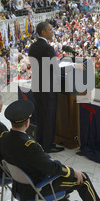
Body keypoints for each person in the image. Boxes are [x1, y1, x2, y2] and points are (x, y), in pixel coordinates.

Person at [0, 100, 100, 201]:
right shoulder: (29, 145)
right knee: (83, 179)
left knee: (58, 168)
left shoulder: (4, 137)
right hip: (37, 189)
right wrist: (73, 171)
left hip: (20, 187)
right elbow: (51, 169)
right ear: (27, 122)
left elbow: (35, 161)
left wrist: (47, 161)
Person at [28, 21, 65, 153]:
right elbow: (54, 68)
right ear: (43, 32)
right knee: (49, 116)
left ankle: (41, 142)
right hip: (48, 87)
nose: (52, 31)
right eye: (50, 29)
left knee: (40, 117)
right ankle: (48, 145)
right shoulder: (47, 48)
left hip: (37, 87)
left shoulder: (32, 47)